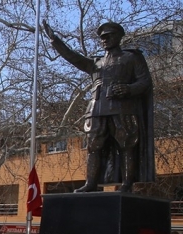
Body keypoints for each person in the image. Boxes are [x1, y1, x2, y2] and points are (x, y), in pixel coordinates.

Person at [42, 20, 154, 193]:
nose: (105, 40)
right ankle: (91, 183)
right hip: (96, 109)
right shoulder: (96, 63)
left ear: (119, 37)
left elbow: (145, 82)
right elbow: (72, 56)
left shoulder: (131, 58)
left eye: (109, 36)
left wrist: (128, 89)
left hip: (121, 108)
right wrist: (54, 40)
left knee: (126, 145)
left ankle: (127, 183)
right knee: (93, 147)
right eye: (102, 38)